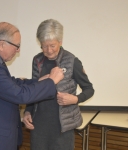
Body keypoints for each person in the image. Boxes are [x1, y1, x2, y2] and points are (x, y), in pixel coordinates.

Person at [0, 22, 64, 150]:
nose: (18, 50)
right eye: (17, 46)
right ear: (2, 44)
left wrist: (38, 81)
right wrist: (51, 81)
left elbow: (10, 83)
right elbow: (20, 95)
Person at [23, 19, 95, 150]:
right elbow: (34, 90)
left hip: (63, 127)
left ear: (60, 42)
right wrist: (28, 111)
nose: (49, 50)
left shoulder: (72, 61)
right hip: (39, 126)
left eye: (52, 45)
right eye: (44, 46)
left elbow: (89, 89)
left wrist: (76, 99)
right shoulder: (37, 60)